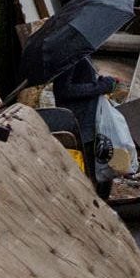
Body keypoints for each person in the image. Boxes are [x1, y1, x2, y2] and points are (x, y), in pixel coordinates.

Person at [53, 55, 118, 199]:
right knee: (92, 172)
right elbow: (64, 90)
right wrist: (101, 86)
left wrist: (101, 82)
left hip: (88, 120)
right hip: (81, 122)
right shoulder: (69, 57)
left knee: (101, 171)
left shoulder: (79, 54)